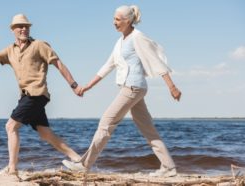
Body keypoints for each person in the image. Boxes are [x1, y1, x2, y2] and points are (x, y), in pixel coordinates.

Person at [62, 5, 181, 177]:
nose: (114, 22)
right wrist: (87, 86)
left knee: (105, 123)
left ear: (129, 20)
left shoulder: (137, 37)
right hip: (134, 88)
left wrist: (172, 86)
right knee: (148, 129)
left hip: (132, 87)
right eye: (114, 19)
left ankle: (84, 165)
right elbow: (108, 65)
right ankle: (169, 168)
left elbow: (156, 61)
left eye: (117, 19)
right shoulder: (120, 42)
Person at [0, 14, 82, 175]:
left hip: (37, 94)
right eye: (19, 26)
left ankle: (12, 169)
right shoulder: (10, 50)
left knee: (10, 126)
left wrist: (73, 85)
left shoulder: (39, 45)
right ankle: (78, 159)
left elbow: (59, 64)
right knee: (45, 133)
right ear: (12, 30)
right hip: (26, 96)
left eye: (26, 26)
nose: (23, 29)